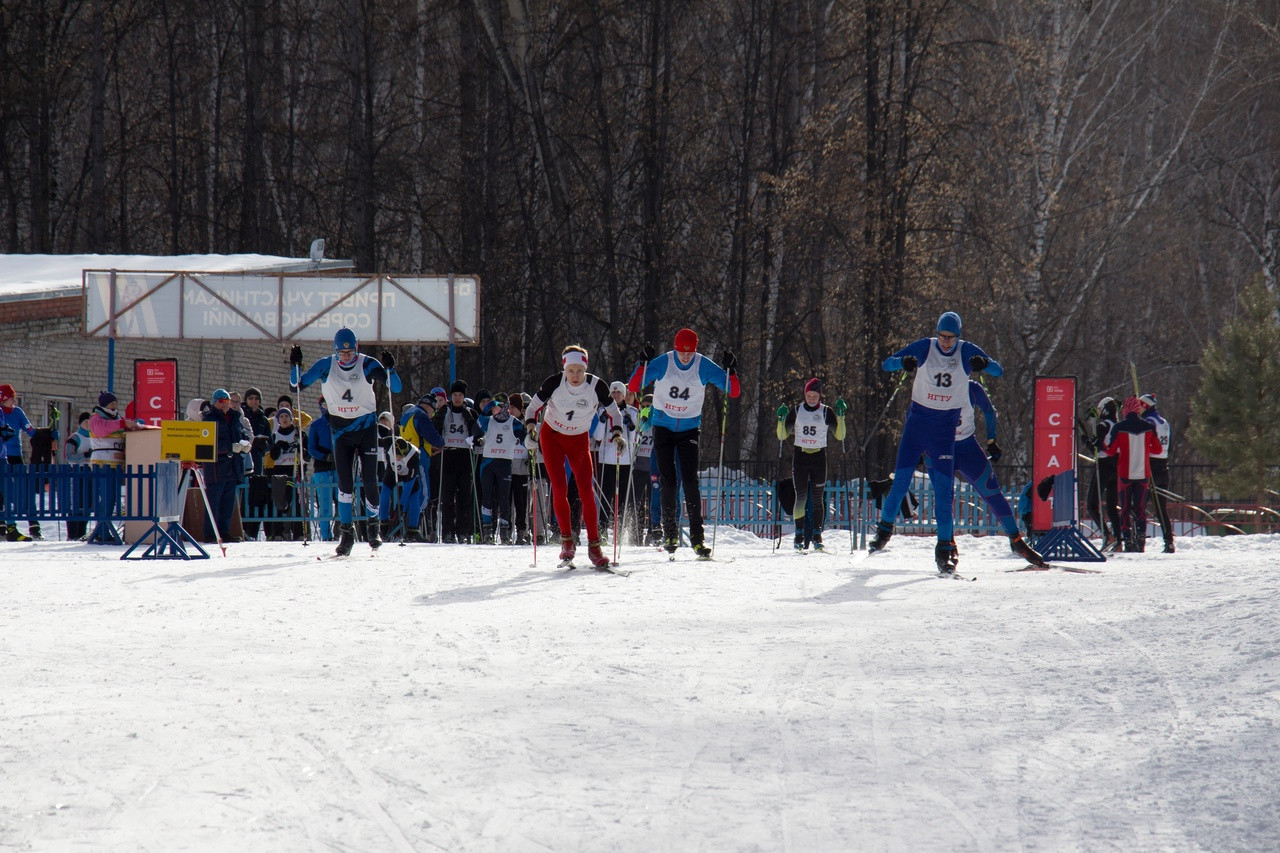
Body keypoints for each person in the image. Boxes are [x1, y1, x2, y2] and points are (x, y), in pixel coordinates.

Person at [867, 311, 1001, 574]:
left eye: (951, 337)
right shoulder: (925, 346)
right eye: (942, 336)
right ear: (937, 332)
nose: (946, 342)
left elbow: (998, 369)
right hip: (917, 426)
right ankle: (883, 530)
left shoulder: (965, 351)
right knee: (901, 482)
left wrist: (983, 363)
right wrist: (902, 363)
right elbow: (887, 364)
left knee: (943, 492)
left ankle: (945, 550)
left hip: (943, 431)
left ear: (958, 337)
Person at [626, 328, 739, 558]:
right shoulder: (664, 362)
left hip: (689, 429)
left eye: (689, 352)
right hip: (663, 428)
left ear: (695, 350)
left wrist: (732, 371)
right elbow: (634, 386)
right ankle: (670, 534)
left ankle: (697, 539)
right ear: (675, 348)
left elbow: (733, 390)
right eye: (681, 352)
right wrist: (642, 364)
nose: (685, 357)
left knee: (690, 483)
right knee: (669, 483)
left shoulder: (703, 365)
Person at [290, 328, 402, 557]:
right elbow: (297, 386)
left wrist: (391, 369)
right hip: (341, 432)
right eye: (342, 353)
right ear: (336, 351)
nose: (347, 357)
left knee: (370, 479)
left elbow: (396, 387)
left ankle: (374, 527)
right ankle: (346, 533)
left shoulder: (367, 364)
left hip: (366, 428)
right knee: (345, 483)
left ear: (357, 348)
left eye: (350, 352)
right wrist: (295, 366)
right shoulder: (325, 365)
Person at [525, 345, 626, 567]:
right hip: (551, 437)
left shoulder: (596, 385)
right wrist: (531, 429)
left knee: (586, 491)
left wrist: (618, 433)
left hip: (579, 439)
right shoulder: (554, 382)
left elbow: (614, 413)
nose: (575, 376)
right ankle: (567, 542)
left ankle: (594, 546)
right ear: (564, 369)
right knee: (560, 490)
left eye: (579, 370)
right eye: (571, 370)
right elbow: (532, 408)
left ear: (585, 368)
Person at [944, 379, 1048, 567]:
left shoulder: (972, 388)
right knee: (945, 497)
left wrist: (992, 441)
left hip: (968, 448)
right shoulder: (935, 384)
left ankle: (1016, 541)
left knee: (993, 493)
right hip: (942, 448)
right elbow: (916, 414)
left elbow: (989, 411)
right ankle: (947, 544)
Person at [776, 378, 847, 552]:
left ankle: (817, 536)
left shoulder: (826, 412)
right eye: (809, 395)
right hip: (800, 457)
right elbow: (782, 435)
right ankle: (798, 535)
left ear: (820, 396)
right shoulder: (797, 410)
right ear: (805, 394)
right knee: (800, 497)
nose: (812, 399)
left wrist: (841, 416)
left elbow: (839, 435)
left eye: (815, 396)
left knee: (817, 499)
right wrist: (780, 419)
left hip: (819, 458)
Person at [1105, 395, 1162, 552]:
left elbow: (1110, 450)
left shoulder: (1119, 427)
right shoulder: (1149, 427)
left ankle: (1128, 540)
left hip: (1124, 473)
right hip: (1143, 473)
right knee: (1140, 509)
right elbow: (1157, 449)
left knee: (1124, 509)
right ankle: (1141, 540)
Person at [432, 379, 482, 543]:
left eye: (460, 395)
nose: (458, 398)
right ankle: (447, 531)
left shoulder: (469, 412)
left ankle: (463, 531)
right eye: (455, 395)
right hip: (448, 454)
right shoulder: (445, 410)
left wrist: (469, 420)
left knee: (464, 496)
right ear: (451, 396)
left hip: (464, 456)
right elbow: (435, 427)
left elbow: (477, 431)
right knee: (447, 496)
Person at [201, 389, 251, 542]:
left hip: (232, 467)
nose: (225, 404)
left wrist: (245, 443)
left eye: (227, 401)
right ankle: (210, 533)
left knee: (228, 502)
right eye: (222, 401)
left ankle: (224, 531)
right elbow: (209, 443)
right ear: (215, 402)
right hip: (216, 468)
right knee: (214, 502)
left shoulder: (235, 418)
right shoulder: (209, 419)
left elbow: (241, 434)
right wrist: (229, 447)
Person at [0, 383, 49, 540]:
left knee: (25, 490)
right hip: (3, 456)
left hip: (15, 456)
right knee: (4, 491)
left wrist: (45, 434)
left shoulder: (18, 412)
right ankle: (3, 526)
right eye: (10, 399)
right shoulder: (1, 413)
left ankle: (34, 526)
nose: (13, 402)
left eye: (14, 398)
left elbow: (30, 430)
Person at [591, 381, 637, 542]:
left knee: (623, 498)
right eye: (613, 393)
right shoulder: (603, 411)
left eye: (619, 393)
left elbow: (635, 440)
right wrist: (602, 420)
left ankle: (622, 531)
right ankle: (602, 530)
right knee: (605, 496)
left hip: (624, 460)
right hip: (607, 459)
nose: (616, 396)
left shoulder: (632, 411)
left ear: (624, 395)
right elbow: (596, 437)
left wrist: (631, 426)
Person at [476, 393, 525, 543]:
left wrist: (531, 441)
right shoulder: (488, 420)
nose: (493, 410)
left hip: (504, 463)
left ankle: (505, 532)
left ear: (504, 407)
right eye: (492, 407)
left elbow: (523, 436)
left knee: (504, 498)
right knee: (487, 497)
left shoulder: (513, 421)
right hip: (488, 463)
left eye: (496, 407)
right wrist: (484, 412)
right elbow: (475, 430)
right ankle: (487, 530)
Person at [1083, 396, 1122, 550]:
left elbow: (1095, 449)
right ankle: (1118, 541)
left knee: (1092, 504)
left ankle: (1108, 535)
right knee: (1112, 506)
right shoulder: (1119, 425)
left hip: (1104, 465)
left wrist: (1084, 440)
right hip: (1117, 466)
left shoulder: (1103, 425)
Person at [1139, 393, 1175, 553]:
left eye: (1140, 405)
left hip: (1150, 467)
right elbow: (1170, 446)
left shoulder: (1148, 421)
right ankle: (1169, 542)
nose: (1138, 408)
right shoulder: (1164, 422)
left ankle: (1139, 541)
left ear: (1145, 406)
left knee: (1139, 506)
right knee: (1161, 508)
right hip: (1164, 466)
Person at [265, 406, 305, 540]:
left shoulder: (298, 433)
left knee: (296, 501)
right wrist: (279, 446)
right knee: (279, 499)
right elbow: (273, 455)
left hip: (293, 468)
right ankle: (278, 532)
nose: (284, 419)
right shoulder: (275, 435)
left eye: (286, 416)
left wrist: (300, 447)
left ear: (291, 418)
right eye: (281, 417)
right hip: (280, 469)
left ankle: (299, 532)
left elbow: (306, 452)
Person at [307, 396, 336, 540]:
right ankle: (326, 535)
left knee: (343, 500)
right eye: (325, 404)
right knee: (324, 503)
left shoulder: (341, 423)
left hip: (339, 466)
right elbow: (311, 448)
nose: (328, 407)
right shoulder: (317, 425)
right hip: (322, 467)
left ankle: (344, 531)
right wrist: (324, 456)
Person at [63, 412, 93, 540]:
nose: (88, 424)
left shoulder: (94, 437)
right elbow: (69, 456)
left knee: (87, 503)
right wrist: (85, 456)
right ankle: (73, 534)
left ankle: (82, 532)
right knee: (76, 503)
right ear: (80, 423)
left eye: (90, 422)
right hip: (77, 473)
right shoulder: (75, 437)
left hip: (90, 473)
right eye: (86, 422)